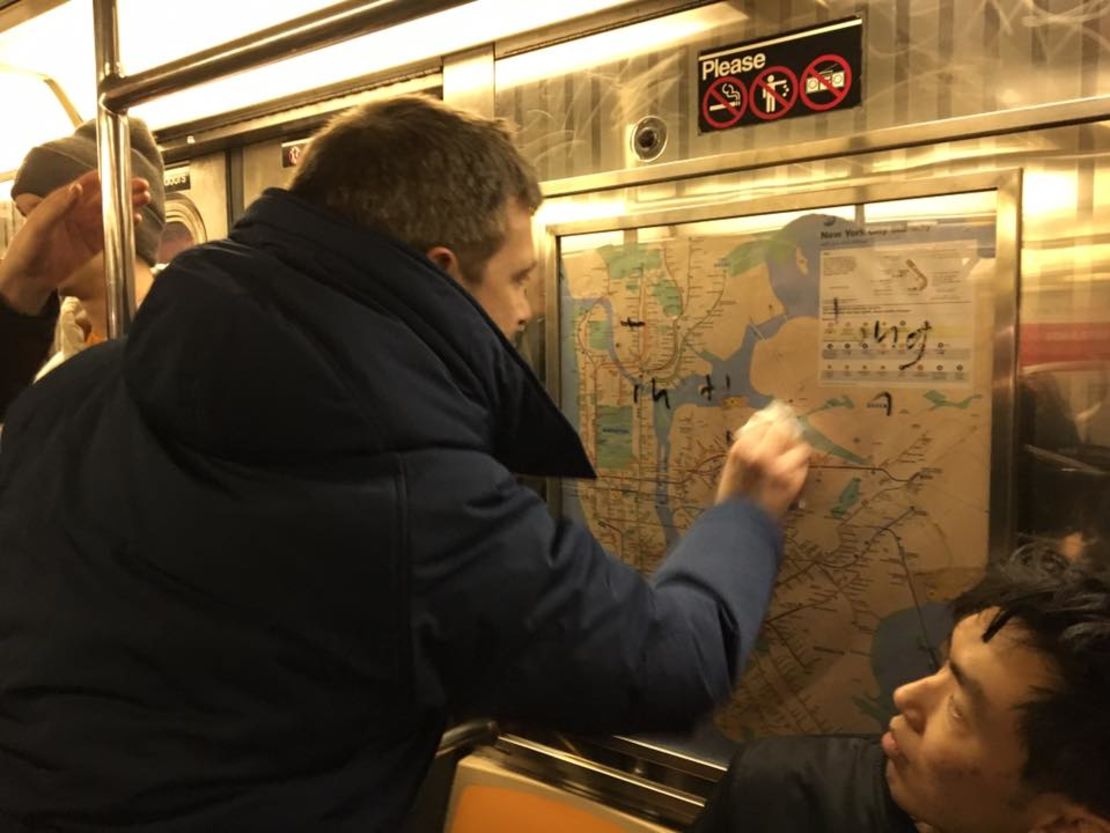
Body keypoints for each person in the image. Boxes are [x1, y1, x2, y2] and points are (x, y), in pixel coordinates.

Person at [0, 95, 810, 830]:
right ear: (443, 271)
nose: (529, 310)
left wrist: (14, 304)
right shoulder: (413, 497)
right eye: (519, 278)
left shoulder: (69, 395)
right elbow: (672, 662)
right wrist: (745, 509)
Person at [688, 543, 1110, 833]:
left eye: (959, 708)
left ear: (1067, 826)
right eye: (944, 664)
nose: (906, 695)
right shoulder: (776, 795)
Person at [0, 117, 164, 420]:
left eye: (40, 213)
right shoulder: (50, 374)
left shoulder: (185, 344)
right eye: (25, 219)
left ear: (104, 215)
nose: (29, 236)